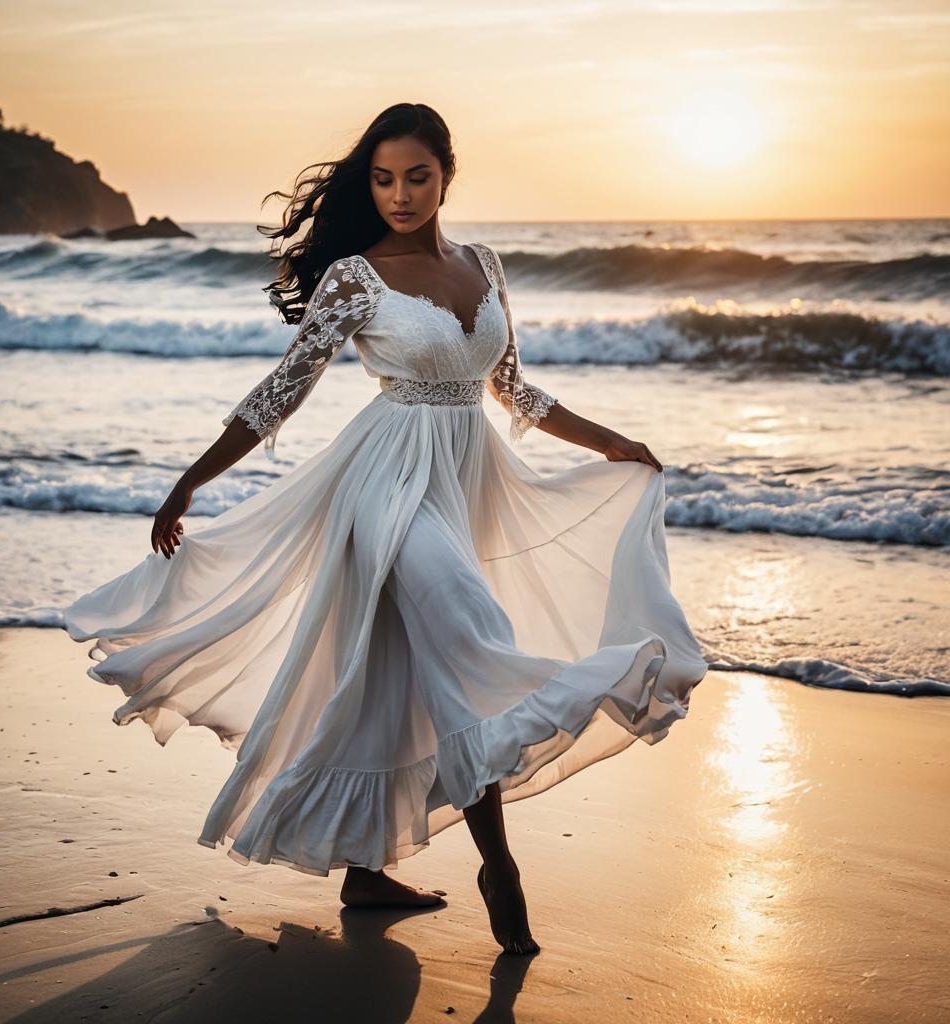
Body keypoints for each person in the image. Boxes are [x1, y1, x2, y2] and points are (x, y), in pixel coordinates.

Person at [62, 102, 708, 956]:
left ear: (446, 175)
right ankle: (500, 873)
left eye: (416, 177)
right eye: (382, 178)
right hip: (387, 485)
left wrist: (612, 443)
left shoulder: (485, 265)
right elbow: (282, 390)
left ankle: (365, 874)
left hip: (463, 479)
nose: (399, 195)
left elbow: (513, 391)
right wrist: (191, 480)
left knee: (403, 675)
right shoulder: (354, 278)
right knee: (473, 639)